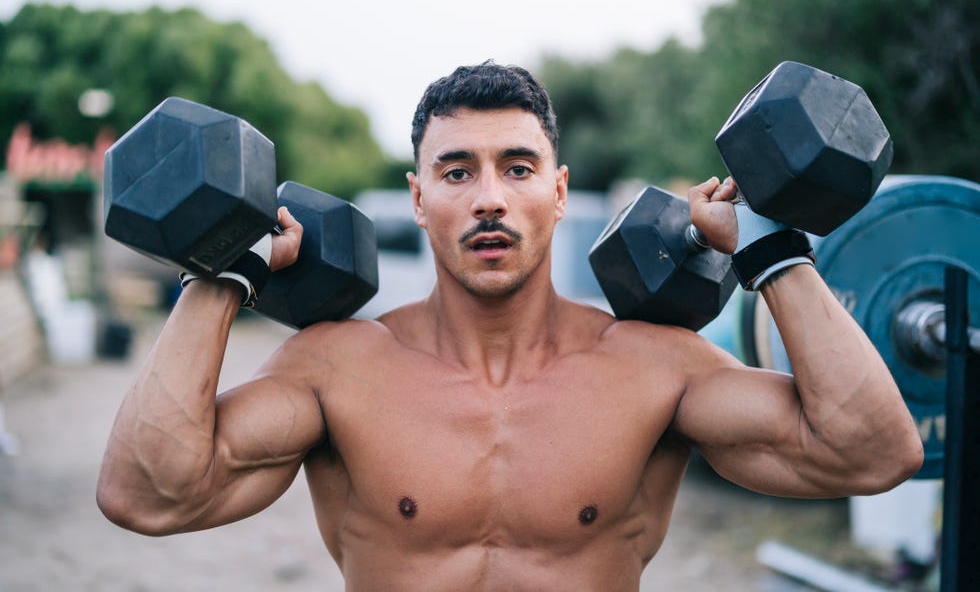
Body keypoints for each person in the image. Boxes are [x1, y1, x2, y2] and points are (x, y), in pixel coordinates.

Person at [97, 61, 923, 590]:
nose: (489, 196)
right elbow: (147, 491)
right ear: (419, 200)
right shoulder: (336, 367)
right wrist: (225, 271)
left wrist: (771, 251)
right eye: (457, 171)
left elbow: (873, 449)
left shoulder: (654, 366)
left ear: (558, 192)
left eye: (517, 168)